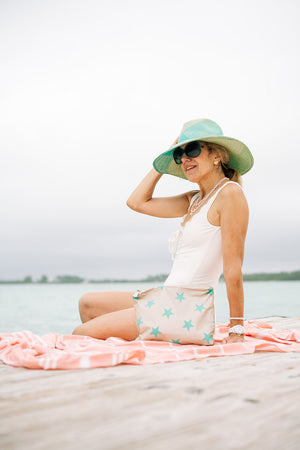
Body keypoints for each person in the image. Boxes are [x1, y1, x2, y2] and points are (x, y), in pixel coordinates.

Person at [72, 118, 254, 344]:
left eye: (193, 149)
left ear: (217, 156)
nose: (185, 158)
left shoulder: (230, 194)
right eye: (180, 155)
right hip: (168, 300)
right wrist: (167, 154)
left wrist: (236, 329)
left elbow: (233, 267)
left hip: (185, 310)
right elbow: (137, 202)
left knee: (80, 335)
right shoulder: (193, 200)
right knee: (87, 303)